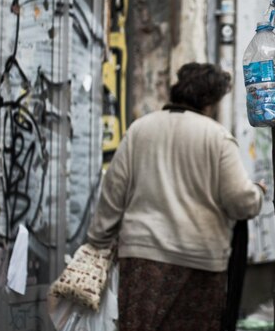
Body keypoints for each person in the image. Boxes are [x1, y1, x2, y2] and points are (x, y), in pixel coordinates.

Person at [87, 62, 265, 331]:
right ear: (211, 101)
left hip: (142, 261)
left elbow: (113, 192)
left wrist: (97, 242)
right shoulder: (217, 138)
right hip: (199, 264)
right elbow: (240, 201)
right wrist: (258, 194)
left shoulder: (139, 129)